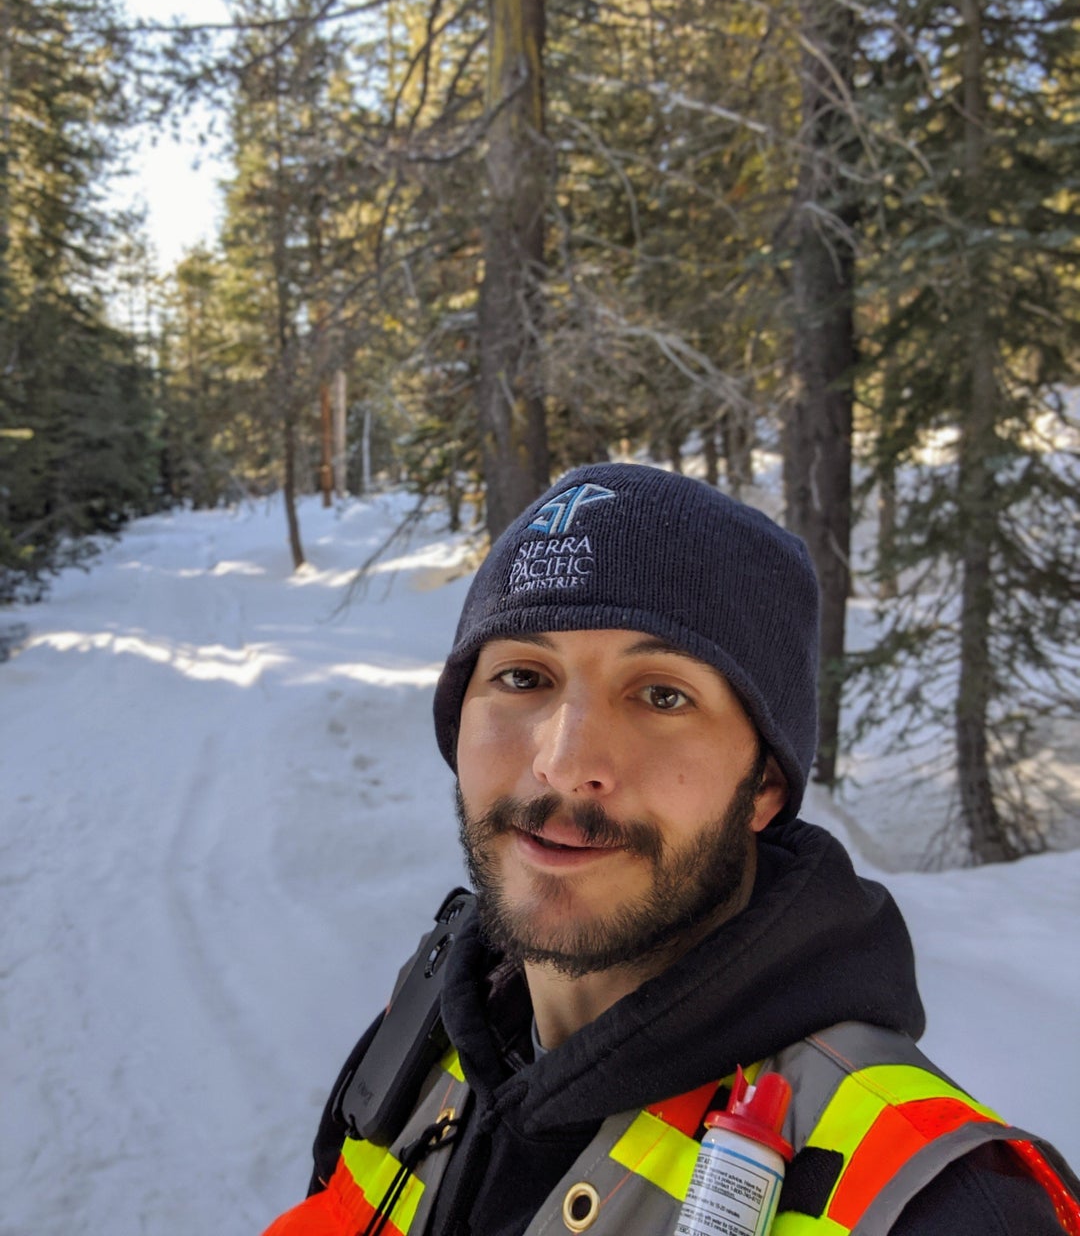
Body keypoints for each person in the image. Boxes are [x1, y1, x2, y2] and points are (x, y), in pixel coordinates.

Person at [263, 462, 1079, 1236]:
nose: (566, 760)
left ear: (764, 784)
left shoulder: (940, 1204)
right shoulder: (426, 1032)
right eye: (523, 677)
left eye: (661, 695)